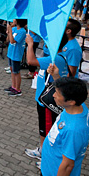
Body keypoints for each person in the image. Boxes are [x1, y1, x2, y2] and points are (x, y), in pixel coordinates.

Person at [40, 77, 89, 176]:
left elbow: (68, 165)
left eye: (57, 93)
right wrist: (57, 76)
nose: (54, 95)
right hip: (50, 171)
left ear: (71, 101)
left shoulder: (74, 130)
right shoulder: (78, 106)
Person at [24, 33, 70, 163]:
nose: (44, 43)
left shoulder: (56, 59)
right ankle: (42, 150)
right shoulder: (53, 56)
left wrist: (30, 44)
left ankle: (46, 158)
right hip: (42, 100)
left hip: (47, 103)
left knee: (47, 128)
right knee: (43, 128)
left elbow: (30, 61)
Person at [5, 18, 27, 97]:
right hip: (11, 53)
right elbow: (8, 40)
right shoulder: (14, 28)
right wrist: (8, 32)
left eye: (15, 19)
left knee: (16, 72)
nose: (13, 20)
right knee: (12, 70)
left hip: (16, 54)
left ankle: (18, 89)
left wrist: (10, 31)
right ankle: (13, 86)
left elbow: (13, 41)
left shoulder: (22, 31)